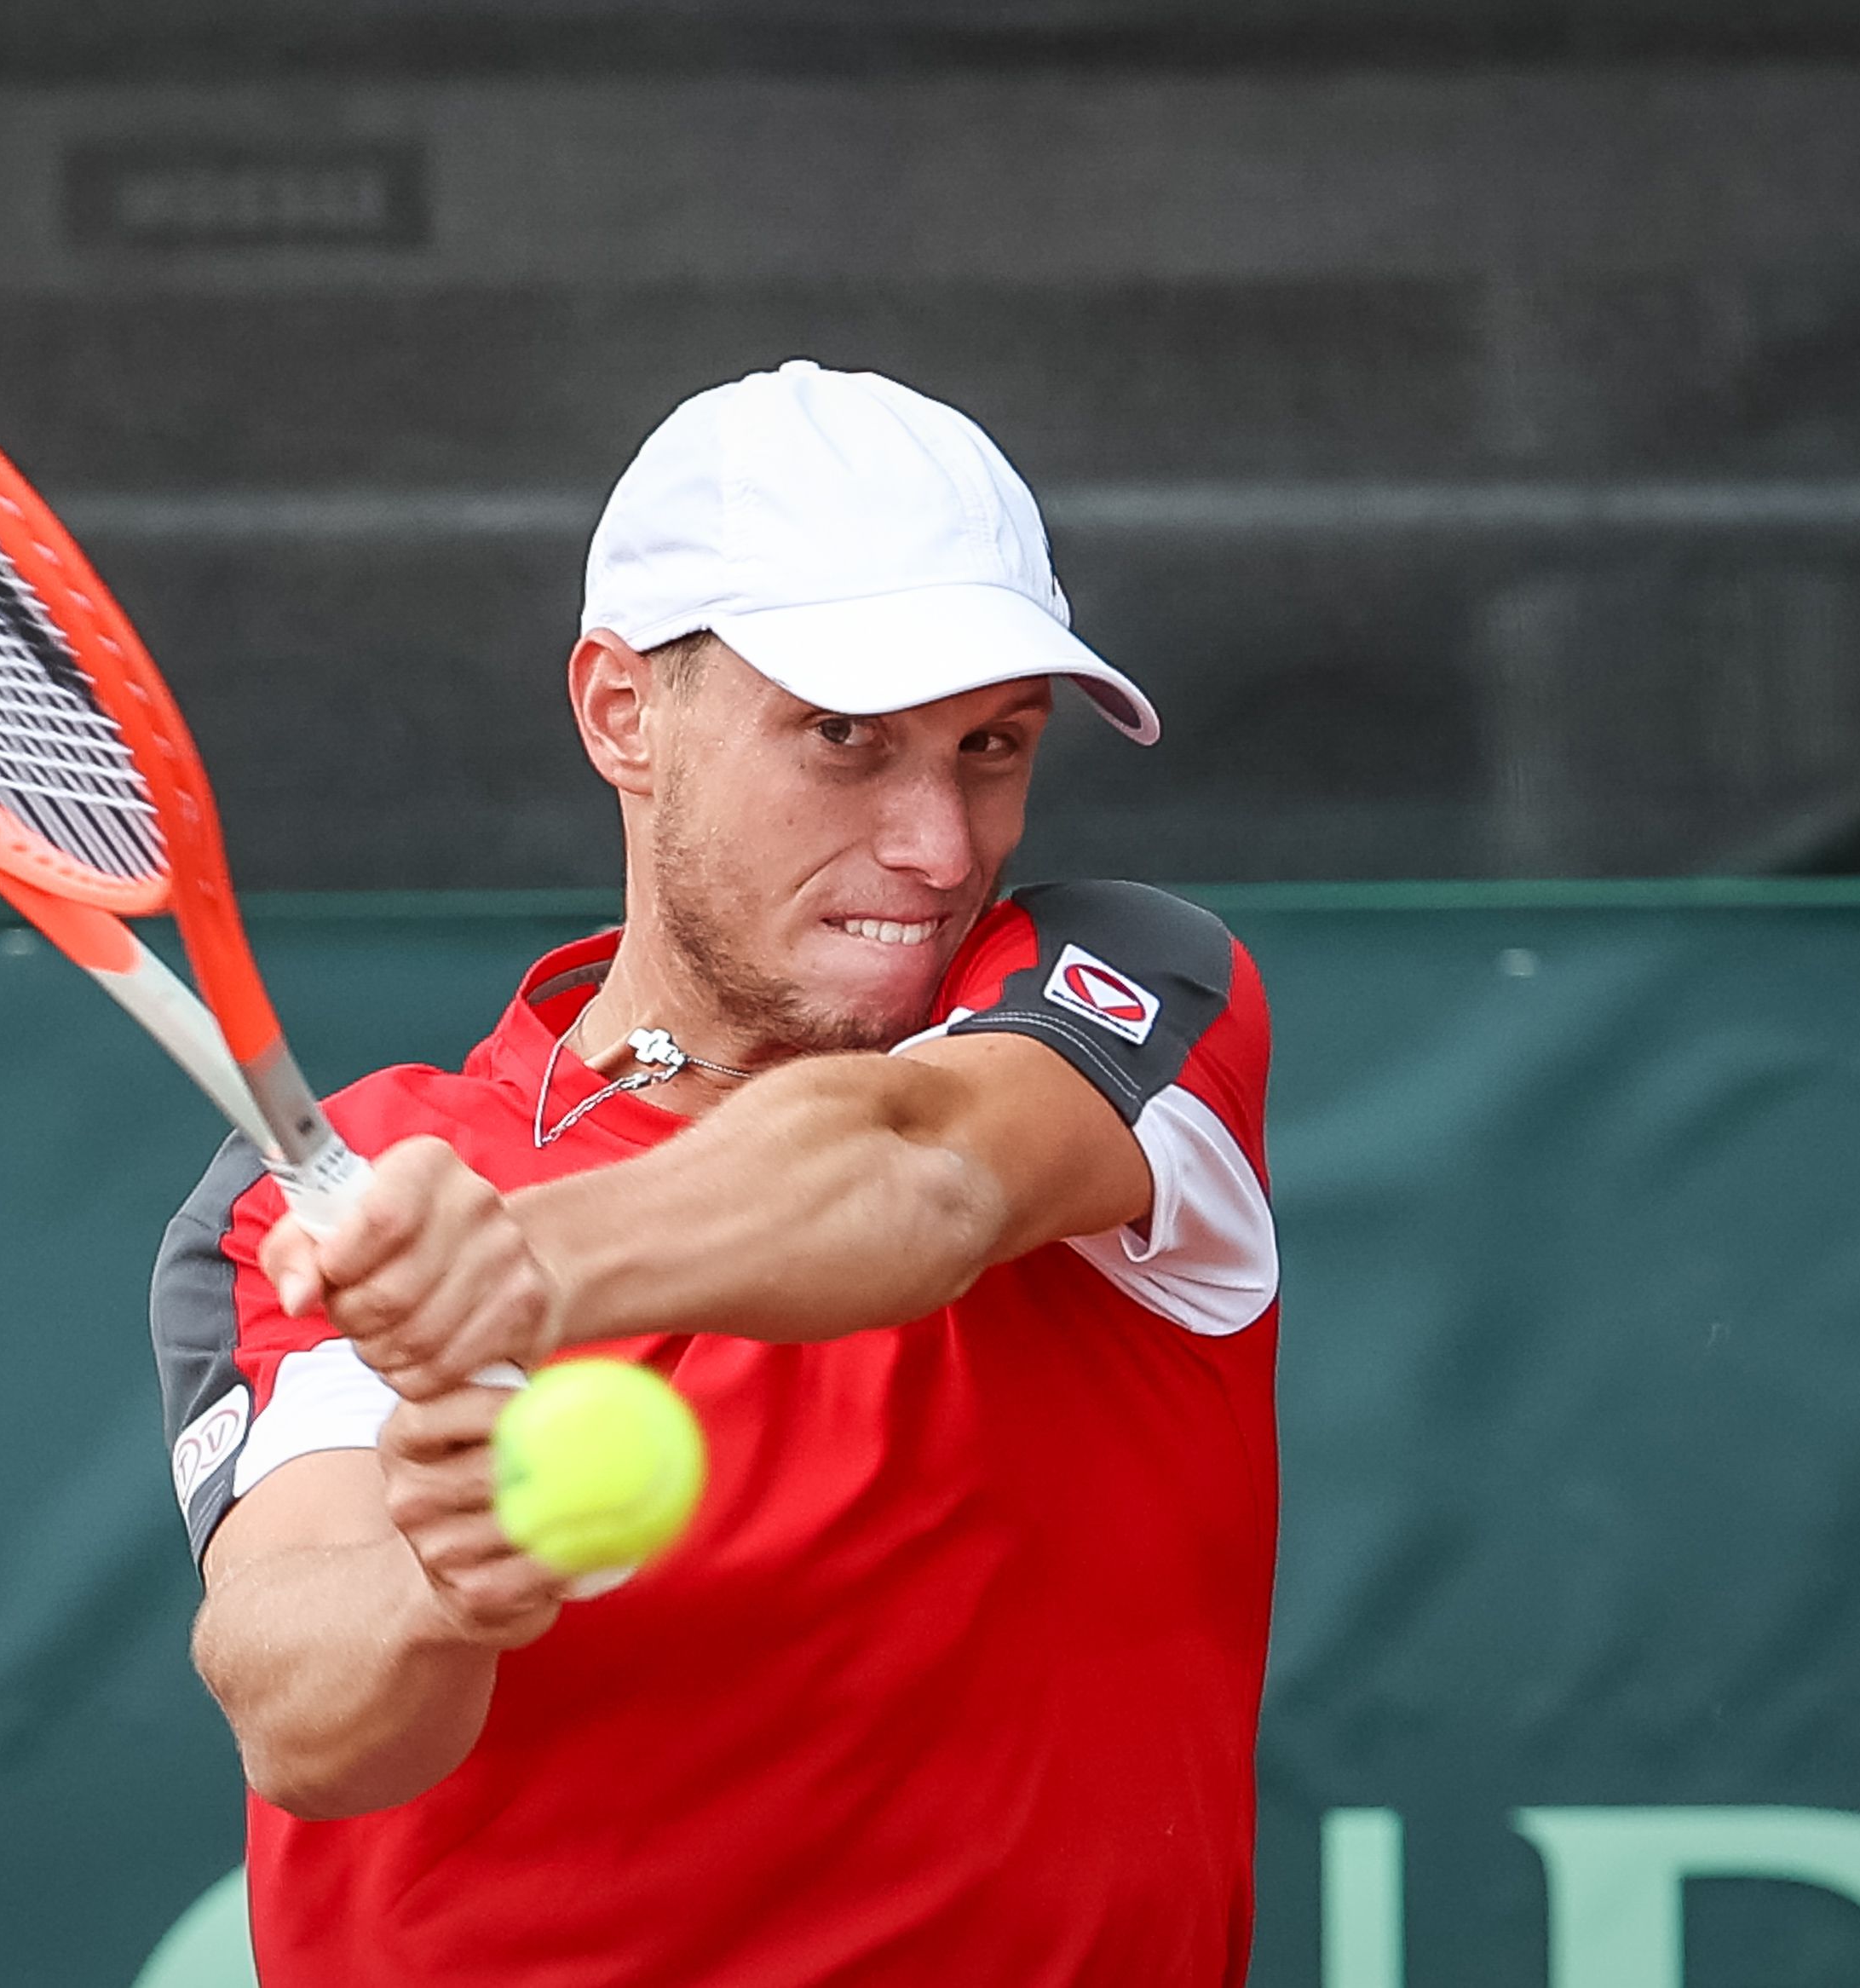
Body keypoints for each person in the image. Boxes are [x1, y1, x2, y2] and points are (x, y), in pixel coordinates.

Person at [150, 360, 1281, 1986]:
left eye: (991, 745)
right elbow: (303, 1719)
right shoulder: (326, 1191)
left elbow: (921, 1168)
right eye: (843, 736)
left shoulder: (1125, 988)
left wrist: (520, 1267)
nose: (942, 845)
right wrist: (436, 1588)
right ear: (625, 712)